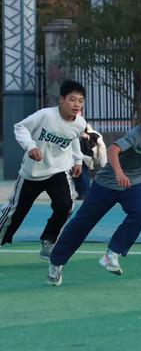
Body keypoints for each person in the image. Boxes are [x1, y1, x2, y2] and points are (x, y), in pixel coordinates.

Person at [47, 101, 141, 286]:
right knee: (82, 224)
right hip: (107, 183)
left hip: (134, 184)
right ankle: (56, 263)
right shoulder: (136, 135)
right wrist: (119, 173)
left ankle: (112, 254)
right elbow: (113, 150)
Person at [0, 80, 86, 259]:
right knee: (15, 213)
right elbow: (20, 126)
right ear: (62, 100)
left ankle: (49, 240)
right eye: (72, 99)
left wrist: (78, 161)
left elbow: (74, 138)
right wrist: (30, 146)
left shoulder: (80, 123)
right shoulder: (45, 115)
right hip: (32, 173)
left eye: (80, 100)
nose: (77, 104)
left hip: (58, 171)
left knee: (66, 205)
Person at [74, 124, 107, 200]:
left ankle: (85, 193)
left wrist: (103, 162)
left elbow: (102, 148)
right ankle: (81, 193)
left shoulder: (94, 134)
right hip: (77, 157)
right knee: (77, 175)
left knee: (82, 174)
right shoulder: (76, 133)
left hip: (87, 157)